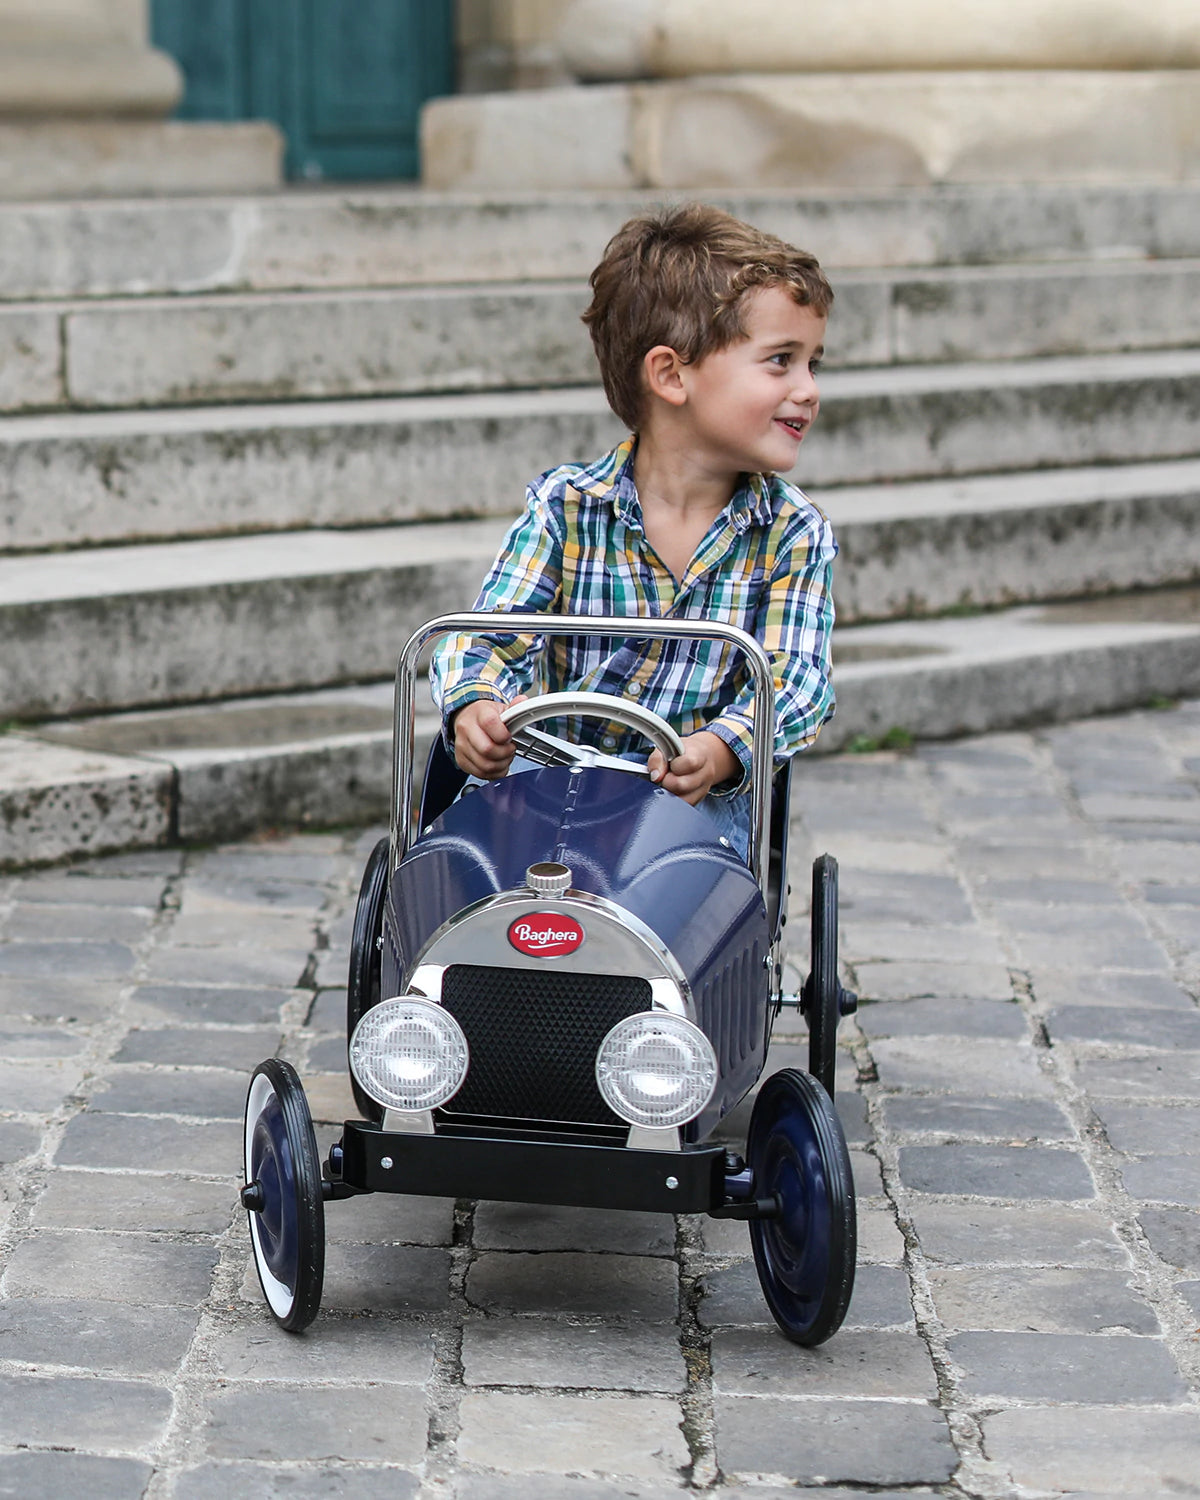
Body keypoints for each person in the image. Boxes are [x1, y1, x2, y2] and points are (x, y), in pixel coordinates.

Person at [429, 202, 837, 859]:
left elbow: (797, 682)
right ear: (672, 375)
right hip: (547, 779)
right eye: (781, 361)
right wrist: (476, 706)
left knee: (692, 877)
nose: (809, 388)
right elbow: (488, 636)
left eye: (814, 363)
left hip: (690, 807)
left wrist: (720, 748)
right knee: (473, 857)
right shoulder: (567, 508)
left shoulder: (792, 534)